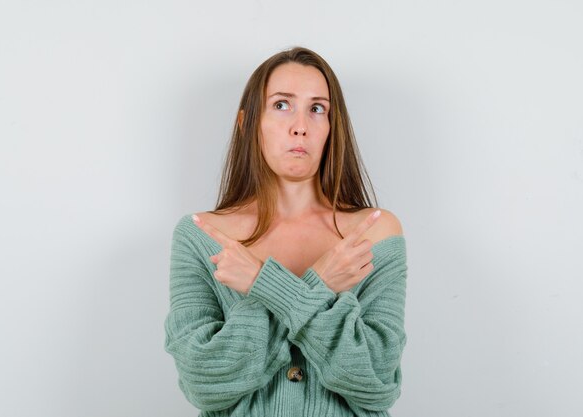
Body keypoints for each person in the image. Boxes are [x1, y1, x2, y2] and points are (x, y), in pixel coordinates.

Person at [164, 46, 408, 417]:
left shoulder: (373, 233)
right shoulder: (203, 235)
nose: (300, 125)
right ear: (247, 123)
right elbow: (204, 382)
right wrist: (322, 283)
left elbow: (375, 382)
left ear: (331, 126)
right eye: (281, 105)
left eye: (317, 108)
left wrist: (263, 283)